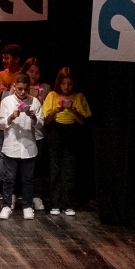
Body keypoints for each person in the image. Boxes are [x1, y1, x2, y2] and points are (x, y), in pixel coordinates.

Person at [42, 67, 91, 216]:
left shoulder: (78, 96)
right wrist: (57, 109)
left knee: (69, 168)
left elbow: (83, 121)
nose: (66, 87)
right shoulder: (52, 95)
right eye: (63, 83)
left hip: (72, 132)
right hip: (56, 131)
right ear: (59, 83)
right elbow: (47, 119)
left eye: (69, 83)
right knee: (55, 168)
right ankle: (55, 203)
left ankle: (68, 203)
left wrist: (74, 110)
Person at [0, 73, 44, 220]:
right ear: (14, 87)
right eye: (20, 89)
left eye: (25, 89)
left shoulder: (34, 101)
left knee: (28, 179)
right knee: (9, 178)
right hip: (12, 145)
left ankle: (27, 206)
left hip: (28, 146)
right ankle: (6, 205)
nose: (23, 92)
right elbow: (0, 123)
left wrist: (33, 117)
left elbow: (41, 123)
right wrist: (11, 117)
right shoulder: (7, 101)